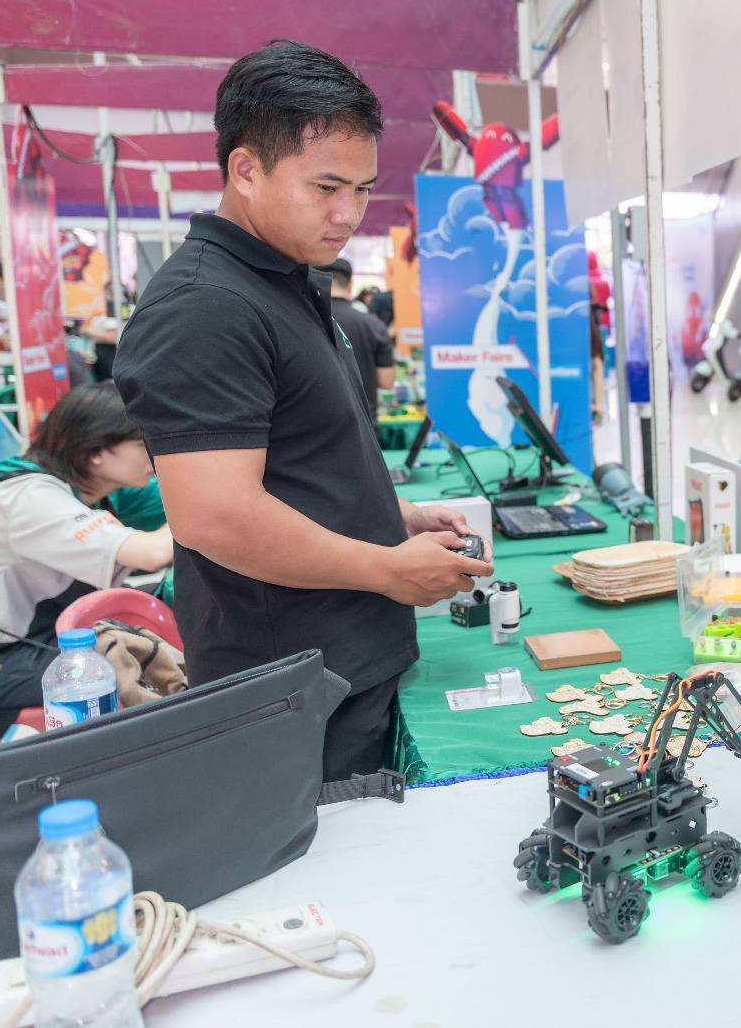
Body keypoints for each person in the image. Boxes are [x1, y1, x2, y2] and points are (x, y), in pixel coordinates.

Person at [115, 39, 491, 782]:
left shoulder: (282, 279)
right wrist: (384, 567)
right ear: (246, 169)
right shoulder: (204, 306)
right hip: (291, 683)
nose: (349, 213)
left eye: (362, 188)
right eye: (326, 186)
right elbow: (216, 516)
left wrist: (392, 514)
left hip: (338, 664)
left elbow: (300, 458)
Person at [0, 384, 174, 744]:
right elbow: (154, 552)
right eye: (143, 441)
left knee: (172, 602)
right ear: (96, 451)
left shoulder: (97, 486)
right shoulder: (30, 498)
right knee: (135, 658)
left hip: (44, 636)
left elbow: (172, 499)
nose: (155, 452)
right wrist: (208, 505)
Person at [318, 258, 395, 422]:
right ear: (350, 285)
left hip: (317, 425)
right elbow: (386, 381)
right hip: (364, 421)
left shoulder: (301, 321)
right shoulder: (374, 325)